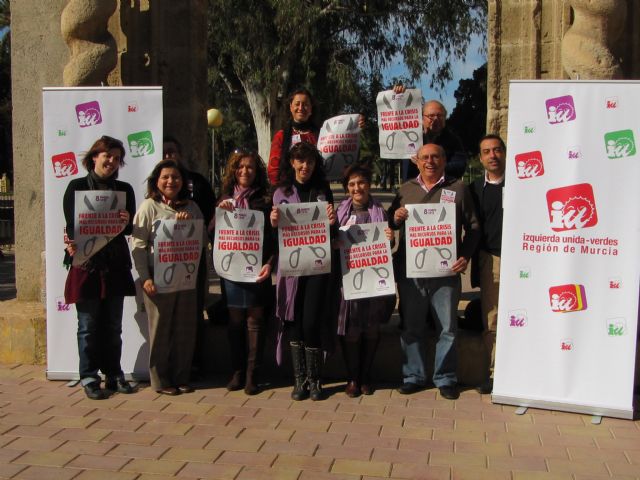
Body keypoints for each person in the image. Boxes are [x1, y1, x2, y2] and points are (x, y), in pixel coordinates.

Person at [388, 143, 480, 400]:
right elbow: (389, 223)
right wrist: (395, 218)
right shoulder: (405, 190)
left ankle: (446, 378)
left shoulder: (458, 188)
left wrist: (465, 255)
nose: (430, 161)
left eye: (435, 156)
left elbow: (473, 227)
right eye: (425, 157)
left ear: (443, 160)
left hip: (446, 272)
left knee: (447, 328)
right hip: (412, 272)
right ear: (417, 161)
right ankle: (413, 376)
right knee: (412, 326)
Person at [62, 136, 137, 400]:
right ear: (94, 157)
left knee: (113, 326)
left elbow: (128, 229)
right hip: (87, 265)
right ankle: (89, 376)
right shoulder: (76, 186)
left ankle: (114, 374)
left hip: (115, 265)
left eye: (117, 158)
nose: (112, 162)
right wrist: (70, 244)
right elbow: (72, 226)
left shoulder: (125, 189)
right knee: (88, 326)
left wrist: (127, 221)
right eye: (107, 156)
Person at [131, 159, 206, 395]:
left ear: (183, 181)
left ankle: (181, 376)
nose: (171, 181)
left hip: (185, 278)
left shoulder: (192, 207)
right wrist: (145, 278)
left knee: (185, 329)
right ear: (157, 181)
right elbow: (139, 245)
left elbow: (202, 242)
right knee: (161, 330)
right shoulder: (148, 207)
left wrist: (187, 226)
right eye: (165, 177)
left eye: (176, 177)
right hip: (157, 280)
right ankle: (161, 380)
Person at [270, 142, 337, 401]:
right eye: (300, 161)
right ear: (292, 163)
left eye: (309, 161)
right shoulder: (281, 193)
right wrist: (273, 223)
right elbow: (274, 234)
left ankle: (316, 379)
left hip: (318, 267)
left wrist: (332, 222)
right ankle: (300, 381)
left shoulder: (323, 191)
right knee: (294, 321)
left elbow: (331, 231)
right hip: (291, 269)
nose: (305, 166)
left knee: (311, 320)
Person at [213, 149, 274, 395]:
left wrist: (270, 262)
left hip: (257, 269)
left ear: (257, 171)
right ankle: (236, 371)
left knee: (255, 321)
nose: (245, 171)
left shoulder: (266, 199)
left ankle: (252, 374)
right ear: (233, 171)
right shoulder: (225, 198)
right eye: (240, 167)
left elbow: (273, 237)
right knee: (235, 322)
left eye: (250, 167)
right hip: (231, 271)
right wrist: (220, 215)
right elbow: (210, 234)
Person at [336, 165, 396, 397]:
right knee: (351, 329)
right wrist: (335, 243)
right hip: (348, 280)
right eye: (351, 184)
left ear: (368, 184)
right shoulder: (339, 213)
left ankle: (366, 376)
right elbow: (331, 240)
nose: (356, 188)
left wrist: (389, 237)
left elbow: (386, 246)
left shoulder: (380, 211)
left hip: (373, 281)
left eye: (360, 183)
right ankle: (353, 377)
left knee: (371, 328)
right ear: (347, 188)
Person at [162, 136, 216, 376]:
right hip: (163, 261)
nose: (168, 157)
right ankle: (168, 363)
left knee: (193, 310)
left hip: (194, 259)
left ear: (180, 154)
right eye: (164, 153)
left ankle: (194, 362)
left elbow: (211, 219)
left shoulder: (199, 183)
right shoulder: (154, 188)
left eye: (172, 152)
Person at [267, 88, 366, 185]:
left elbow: (345, 154)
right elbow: (273, 169)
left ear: (311, 108)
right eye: (297, 104)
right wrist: (280, 191)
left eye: (305, 104)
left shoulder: (323, 134)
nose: (301, 108)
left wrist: (355, 126)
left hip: (318, 190)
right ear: (291, 107)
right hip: (289, 192)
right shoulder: (281, 136)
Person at [470, 134, 506, 395]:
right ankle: (496, 374)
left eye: (496, 150)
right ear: (480, 158)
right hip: (490, 259)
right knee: (492, 319)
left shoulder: (525, 183)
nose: (492, 155)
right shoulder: (473, 189)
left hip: (526, 259)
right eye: (486, 152)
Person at [393, 86, 468, 181]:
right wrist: (398, 97)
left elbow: (460, 166)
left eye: (440, 116)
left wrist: (431, 166)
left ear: (445, 118)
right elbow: (398, 118)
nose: (436, 119)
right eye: (431, 116)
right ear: (422, 118)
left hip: (442, 188)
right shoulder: (409, 136)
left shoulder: (453, 140)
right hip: (413, 188)